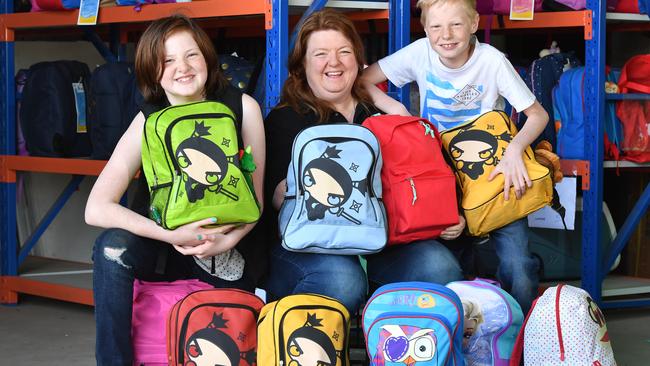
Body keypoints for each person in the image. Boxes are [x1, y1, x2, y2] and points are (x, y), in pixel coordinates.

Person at [84, 14, 265, 365]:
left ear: (208, 59)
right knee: (110, 249)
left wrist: (227, 240)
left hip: (226, 245)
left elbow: (253, 202)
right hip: (162, 241)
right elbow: (96, 208)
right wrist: (169, 235)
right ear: (152, 70)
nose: (182, 67)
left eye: (191, 55)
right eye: (167, 60)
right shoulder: (148, 120)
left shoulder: (243, 108)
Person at [263, 8, 463, 315]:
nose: (334, 62)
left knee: (439, 266)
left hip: (385, 241)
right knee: (343, 280)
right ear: (302, 64)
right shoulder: (286, 118)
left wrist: (450, 216)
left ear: (358, 59)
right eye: (320, 54)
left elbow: (418, 177)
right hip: (311, 244)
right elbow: (277, 197)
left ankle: (393, 350)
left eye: (344, 52)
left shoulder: (378, 112)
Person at [360, 0, 548, 314]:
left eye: (456, 25)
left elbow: (537, 115)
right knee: (452, 270)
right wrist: (401, 113)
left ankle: (520, 343)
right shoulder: (420, 52)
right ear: (425, 29)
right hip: (439, 174)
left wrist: (515, 150)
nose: (446, 35)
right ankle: (462, 339)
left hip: (493, 173)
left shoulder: (491, 60)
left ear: (474, 24)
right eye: (436, 27)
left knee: (518, 267)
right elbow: (364, 80)